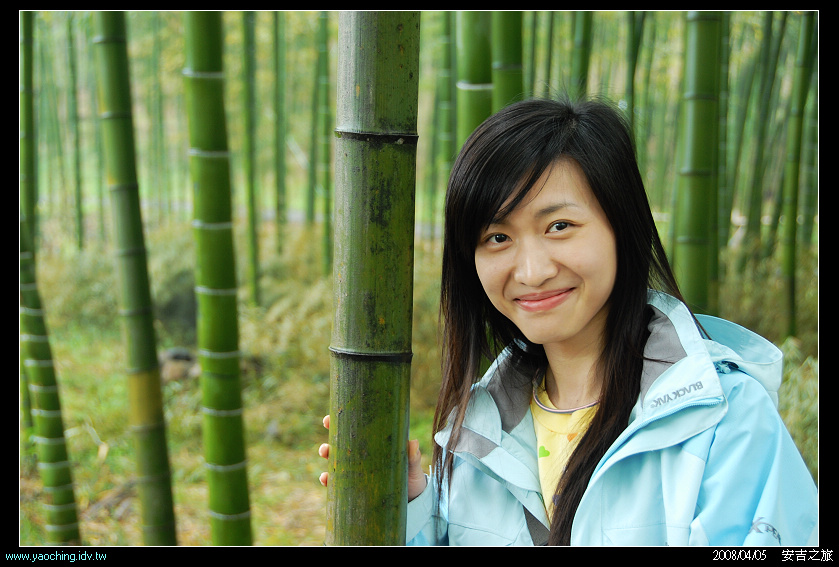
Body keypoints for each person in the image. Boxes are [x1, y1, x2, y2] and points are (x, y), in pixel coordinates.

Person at [319, 97, 818, 546]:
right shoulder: (477, 431)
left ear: (622, 226)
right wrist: (410, 513)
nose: (531, 271)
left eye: (559, 226)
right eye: (497, 237)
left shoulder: (723, 417)